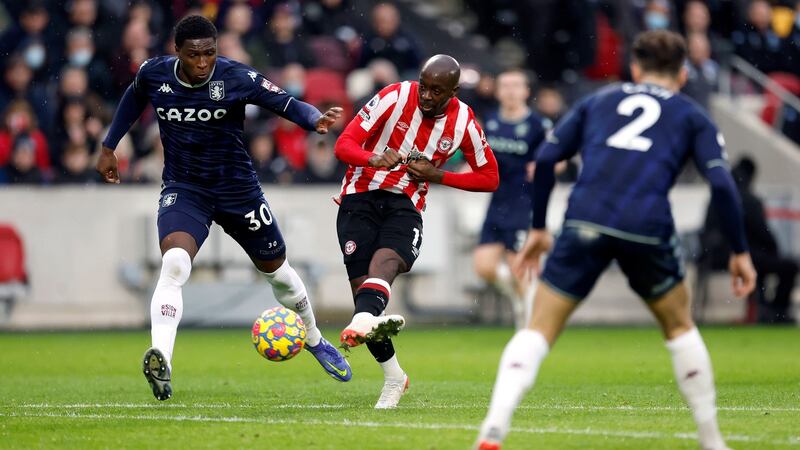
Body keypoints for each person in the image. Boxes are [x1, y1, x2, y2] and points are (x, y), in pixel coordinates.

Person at [475, 31, 757, 450]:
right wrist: (740, 251)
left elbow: (548, 158)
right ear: (682, 74)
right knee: (679, 327)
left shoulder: (598, 101)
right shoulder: (691, 114)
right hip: (647, 226)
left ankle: (493, 428)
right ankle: (712, 441)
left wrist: (538, 228)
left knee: (538, 329)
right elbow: (722, 184)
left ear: (636, 68)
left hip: (585, 220)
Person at [96, 15, 351, 402]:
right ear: (176, 51)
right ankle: (161, 358)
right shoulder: (153, 74)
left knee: (279, 274)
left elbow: (285, 102)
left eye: (210, 54)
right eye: (194, 55)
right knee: (175, 263)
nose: (203, 63)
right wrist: (109, 145)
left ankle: (314, 340)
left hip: (238, 191)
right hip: (186, 189)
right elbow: (133, 97)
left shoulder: (236, 77)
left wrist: (315, 119)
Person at [333, 54, 499, 408]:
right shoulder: (394, 96)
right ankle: (395, 377)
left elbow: (490, 177)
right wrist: (371, 158)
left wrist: (440, 176)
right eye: (424, 86)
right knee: (366, 296)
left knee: (386, 263)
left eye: (436, 91)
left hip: (405, 205)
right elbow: (343, 144)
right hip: (358, 198)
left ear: (453, 91)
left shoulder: (464, 121)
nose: (426, 95)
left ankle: (362, 322)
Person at [473, 69, 546, 329]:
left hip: (523, 202)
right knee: (483, 266)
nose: (510, 90)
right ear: (497, 90)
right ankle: (518, 295)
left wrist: (544, 166)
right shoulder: (490, 121)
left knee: (520, 266)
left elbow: (558, 159)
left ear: (526, 91)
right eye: (505, 85)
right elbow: (477, 154)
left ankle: (527, 325)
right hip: (496, 201)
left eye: (516, 85)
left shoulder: (538, 125)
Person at [706, 157, 798, 324]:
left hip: (713, 257)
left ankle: (762, 309)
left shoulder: (716, 196)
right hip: (740, 255)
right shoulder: (749, 199)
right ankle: (777, 312)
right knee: (788, 266)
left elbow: (707, 231)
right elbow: (764, 233)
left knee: (758, 263)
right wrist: (774, 250)